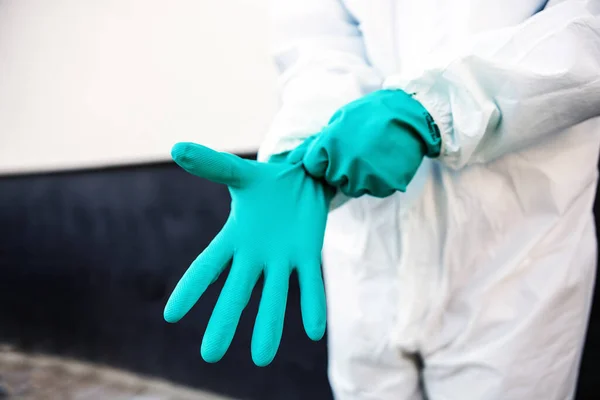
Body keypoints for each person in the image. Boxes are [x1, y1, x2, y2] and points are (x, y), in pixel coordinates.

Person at [164, 0, 600, 398]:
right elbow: (318, 40)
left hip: (513, 253)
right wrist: (299, 158)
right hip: (368, 254)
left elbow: (585, 30)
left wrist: (437, 105)